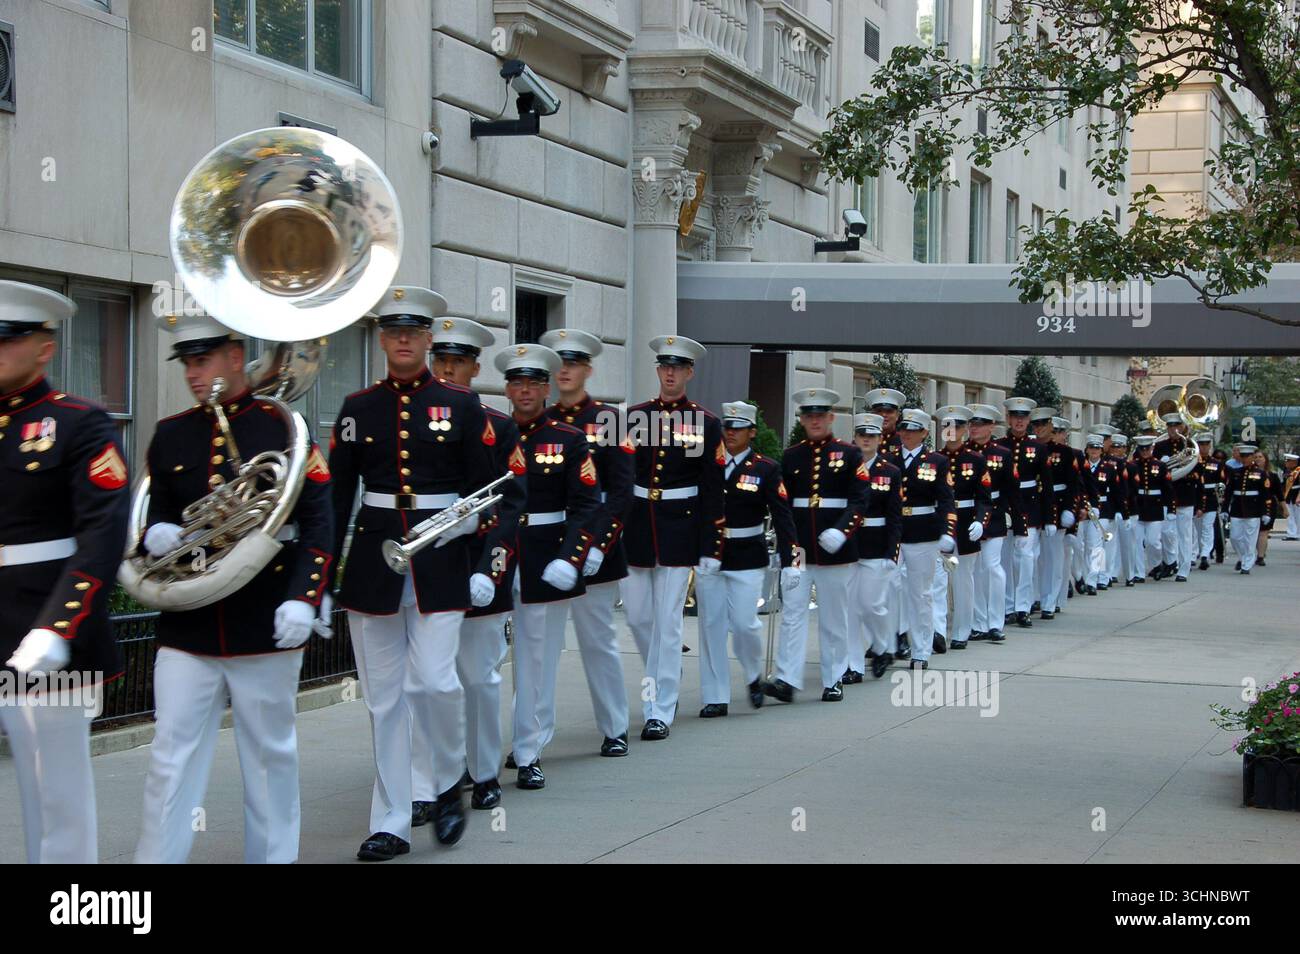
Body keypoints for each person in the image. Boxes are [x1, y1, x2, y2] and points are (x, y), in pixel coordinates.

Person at [134, 313, 334, 865]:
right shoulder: (171, 432)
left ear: (234, 352)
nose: (193, 374)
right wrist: (154, 531)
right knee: (169, 757)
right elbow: (156, 513)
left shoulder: (282, 426)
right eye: (187, 364)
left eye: (203, 360)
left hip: (264, 616)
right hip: (189, 623)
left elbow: (319, 520)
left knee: (270, 759)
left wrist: (305, 595)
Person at [328, 286, 500, 861]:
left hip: (441, 560)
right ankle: (392, 822)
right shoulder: (357, 408)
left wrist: (475, 548)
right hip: (375, 560)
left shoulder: (462, 405)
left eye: (413, 331)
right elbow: (335, 499)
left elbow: (489, 494)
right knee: (384, 702)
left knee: (433, 682)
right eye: (392, 330)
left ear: (428, 339)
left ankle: (448, 781)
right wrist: (321, 581)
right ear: (382, 338)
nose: (402, 339)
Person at [0, 281, 129, 864]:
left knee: (59, 798)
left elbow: (102, 532)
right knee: (28, 786)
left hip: (47, 628)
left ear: (44, 348)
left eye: (6, 341)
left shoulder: (79, 423)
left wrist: (59, 626)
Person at [421, 316, 526, 813]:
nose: (447, 369)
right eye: (440, 359)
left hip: (481, 567)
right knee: (430, 679)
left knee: (480, 677)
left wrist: (492, 567)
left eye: (457, 361)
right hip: (429, 570)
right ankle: (436, 776)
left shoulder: (498, 428)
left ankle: (484, 771)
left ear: (474, 367)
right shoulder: (416, 423)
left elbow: (512, 503)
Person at [494, 343, 602, 789]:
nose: (524, 390)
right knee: (484, 659)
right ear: (506, 387)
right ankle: (473, 753)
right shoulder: (490, 433)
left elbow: (585, 504)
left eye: (533, 382)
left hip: (545, 553)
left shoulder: (570, 439)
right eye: (517, 382)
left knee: (537, 658)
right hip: (496, 553)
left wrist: (571, 557)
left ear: (545, 388)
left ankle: (529, 748)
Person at [623, 335, 725, 740]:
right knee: (637, 617)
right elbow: (621, 476)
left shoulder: (707, 423)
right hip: (637, 527)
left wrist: (710, 544)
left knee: (667, 623)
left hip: (679, 528)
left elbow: (713, 488)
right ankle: (666, 671)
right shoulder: (633, 416)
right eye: (664, 366)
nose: (669, 373)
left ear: (689, 373)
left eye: (677, 367)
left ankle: (658, 706)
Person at [539, 328, 632, 754]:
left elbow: (620, 491)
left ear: (588, 369)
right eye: (559, 363)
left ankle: (614, 727)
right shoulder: (540, 419)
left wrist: (598, 544)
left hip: (596, 550)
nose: (565, 371)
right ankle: (533, 740)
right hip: (548, 548)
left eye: (573, 363)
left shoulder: (609, 420)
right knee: (541, 649)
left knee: (597, 641)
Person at [694, 401, 798, 710]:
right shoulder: (707, 465)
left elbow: (782, 514)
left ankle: (753, 674)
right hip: (709, 553)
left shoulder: (766, 468)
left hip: (747, 555)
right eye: (727, 427)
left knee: (744, 624)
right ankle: (715, 697)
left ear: (751, 432)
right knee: (710, 625)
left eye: (738, 428)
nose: (731, 433)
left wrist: (789, 557)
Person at [769, 388, 868, 700]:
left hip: (836, 550)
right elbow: (782, 507)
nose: (814, 421)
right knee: (793, 613)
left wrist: (843, 530)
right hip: (799, 548)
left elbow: (860, 499)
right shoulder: (791, 456)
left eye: (819, 415)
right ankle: (786, 678)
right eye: (808, 415)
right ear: (802, 419)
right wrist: (787, 552)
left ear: (831, 417)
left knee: (833, 617)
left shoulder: (850, 455)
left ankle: (834, 676)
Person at [893, 408, 956, 670]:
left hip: (923, 532)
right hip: (893, 531)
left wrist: (947, 531)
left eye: (913, 430)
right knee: (886, 590)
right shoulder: (889, 459)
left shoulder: (937, 462)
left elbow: (945, 499)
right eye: (903, 429)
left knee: (921, 594)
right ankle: (888, 644)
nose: (907, 434)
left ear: (924, 433)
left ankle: (921, 649)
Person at [929, 406, 989, 651]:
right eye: (946, 427)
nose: (950, 432)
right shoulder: (933, 459)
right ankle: (938, 631)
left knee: (963, 581)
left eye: (956, 427)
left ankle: (962, 630)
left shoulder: (975, 459)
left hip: (965, 522)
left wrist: (980, 521)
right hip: (940, 523)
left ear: (965, 430)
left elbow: (985, 497)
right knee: (937, 581)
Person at [848, 413, 903, 678]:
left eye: (871, 436)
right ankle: (853, 664)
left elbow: (895, 516)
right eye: (862, 435)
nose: (866, 440)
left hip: (877, 544)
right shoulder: (844, 467)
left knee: (872, 605)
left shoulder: (890, 471)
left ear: (880, 439)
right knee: (850, 607)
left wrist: (892, 554)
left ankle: (883, 646)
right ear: (855, 437)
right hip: (849, 544)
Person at [965, 404, 1011, 644]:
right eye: (972, 423)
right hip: (967, 515)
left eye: (980, 424)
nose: (974, 428)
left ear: (991, 426)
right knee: (973, 571)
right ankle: (977, 622)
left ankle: (995, 623)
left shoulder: (1001, 453)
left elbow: (1009, 489)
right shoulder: (961, 453)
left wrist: (1014, 517)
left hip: (993, 514)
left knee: (992, 568)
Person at [1153, 413, 1201, 581]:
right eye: (1170, 426)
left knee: (1185, 534)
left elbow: (1197, 471)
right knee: (1166, 532)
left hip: (1185, 495)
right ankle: (1170, 561)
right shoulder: (1160, 446)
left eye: (1176, 426)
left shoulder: (1189, 446)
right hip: (1167, 495)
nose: (1173, 429)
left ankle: (1184, 569)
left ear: (1182, 427)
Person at [1129, 434, 1174, 580]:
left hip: (1155, 506)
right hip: (1138, 505)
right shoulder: (1133, 465)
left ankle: (1156, 563)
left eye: (1147, 448)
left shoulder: (1160, 465)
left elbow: (1168, 488)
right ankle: (1139, 573)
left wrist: (1171, 508)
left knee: (1153, 542)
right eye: (1142, 449)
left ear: (1152, 448)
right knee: (1137, 542)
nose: (1144, 452)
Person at [1224, 443, 1272, 574]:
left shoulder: (1260, 473)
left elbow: (1265, 494)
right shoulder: (1235, 473)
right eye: (1243, 456)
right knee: (1235, 537)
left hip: (1253, 509)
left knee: (1250, 539)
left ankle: (1247, 565)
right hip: (1237, 508)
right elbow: (1228, 492)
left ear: (1252, 457)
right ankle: (1243, 557)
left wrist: (1265, 512)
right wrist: (1224, 509)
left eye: (1248, 456)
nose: (1245, 458)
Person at [1193, 433, 1225, 571]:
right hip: (1195, 497)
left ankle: (1205, 555)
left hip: (1211, 498)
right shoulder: (1193, 461)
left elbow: (1221, 482)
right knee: (1196, 529)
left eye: (1207, 445)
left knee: (1207, 528)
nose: (1204, 447)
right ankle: (1195, 553)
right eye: (1201, 445)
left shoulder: (1216, 463)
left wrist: (1221, 497)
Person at [1253, 449, 1282, 567]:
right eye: (1256, 457)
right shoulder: (1249, 474)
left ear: (1265, 459)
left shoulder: (1273, 476)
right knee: (1253, 532)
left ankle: (1260, 556)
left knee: (1263, 532)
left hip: (1269, 506)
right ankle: (1252, 553)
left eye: (1260, 457)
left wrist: (1284, 508)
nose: (1258, 459)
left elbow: (1279, 494)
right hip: (1252, 505)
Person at [1281, 452, 1299, 540]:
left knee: (1298, 515)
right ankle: (1291, 534)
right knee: (1290, 515)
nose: (1286, 463)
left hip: (1297, 494)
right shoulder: (1286, 470)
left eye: (1288, 461)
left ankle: (1298, 533)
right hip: (1288, 495)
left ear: (1294, 462)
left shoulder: (1298, 470)